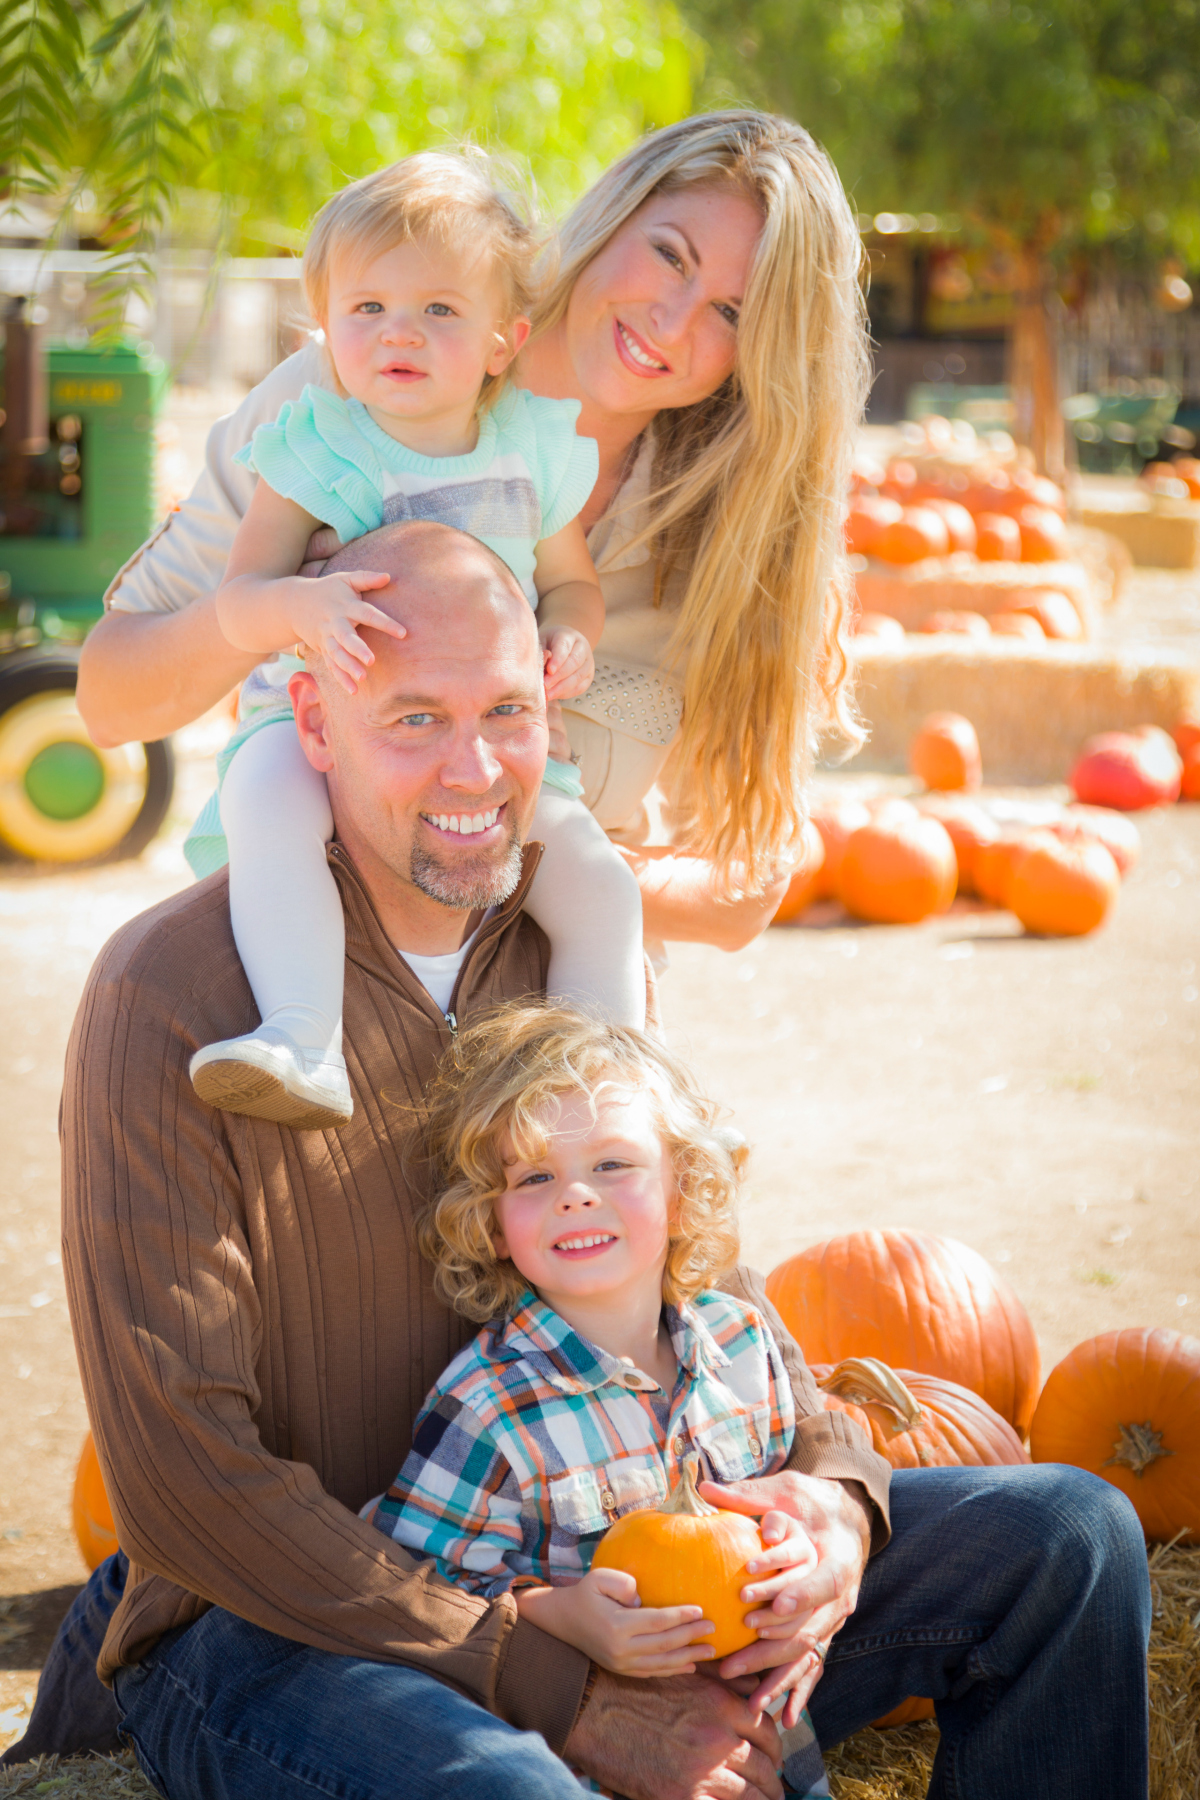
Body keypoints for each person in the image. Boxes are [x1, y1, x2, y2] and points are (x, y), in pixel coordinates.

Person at [20, 519, 897, 1800]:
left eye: (506, 711)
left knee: (1070, 1544)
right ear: (312, 723)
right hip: (279, 1630)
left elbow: (688, 1272)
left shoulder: (579, 954)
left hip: (608, 1557)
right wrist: (550, 1684)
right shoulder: (172, 993)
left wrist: (834, 1494)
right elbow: (175, 1472)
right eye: (413, 718)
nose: (474, 766)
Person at [76, 110, 873, 960]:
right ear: (613, 217)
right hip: (322, 975)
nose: (672, 321)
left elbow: (744, 889)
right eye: (671, 254)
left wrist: (510, 858)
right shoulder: (347, 399)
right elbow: (110, 700)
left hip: (550, 1019)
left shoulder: (732, 536)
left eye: (729, 311)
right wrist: (281, 608)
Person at [187, 150, 645, 1132]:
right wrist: (300, 611)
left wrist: (569, 634)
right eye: (367, 310)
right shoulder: (317, 446)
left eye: (439, 310)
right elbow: (240, 601)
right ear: (327, 330)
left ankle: (611, 1084)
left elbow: (570, 581)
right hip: (318, 717)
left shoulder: (527, 446)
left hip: (482, 739)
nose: (400, 331)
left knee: (596, 882)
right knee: (267, 811)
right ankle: (304, 1037)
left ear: (500, 340)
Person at [377, 1004, 831, 1797]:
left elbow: (784, 1493)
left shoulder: (742, 1345)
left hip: (772, 1722)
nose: (576, 1195)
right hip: (599, 1753)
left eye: (614, 1165)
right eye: (535, 1177)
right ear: (491, 1223)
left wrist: (797, 1552)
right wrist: (556, 1613)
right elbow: (417, 1587)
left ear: (684, 1191)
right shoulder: (489, 1402)